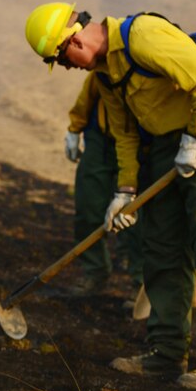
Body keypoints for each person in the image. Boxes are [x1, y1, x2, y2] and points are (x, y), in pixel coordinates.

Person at [25, 2, 196, 389]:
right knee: (163, 251)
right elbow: (125, 135)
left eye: (63, 59)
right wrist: (124, 191)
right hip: (164, 151)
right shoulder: (107, 74)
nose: (68, 68)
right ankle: (167, 355)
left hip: (193, 141)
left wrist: (195, 139)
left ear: (74, 38)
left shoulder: (143, 37)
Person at [63, 73, 142, 295]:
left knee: (134, 216)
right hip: (101, 140)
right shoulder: (109, 63)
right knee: (88, 207)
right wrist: (74, 128)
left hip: (140, 144)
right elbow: (88, 93)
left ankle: (140, 281)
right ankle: (94, 270)